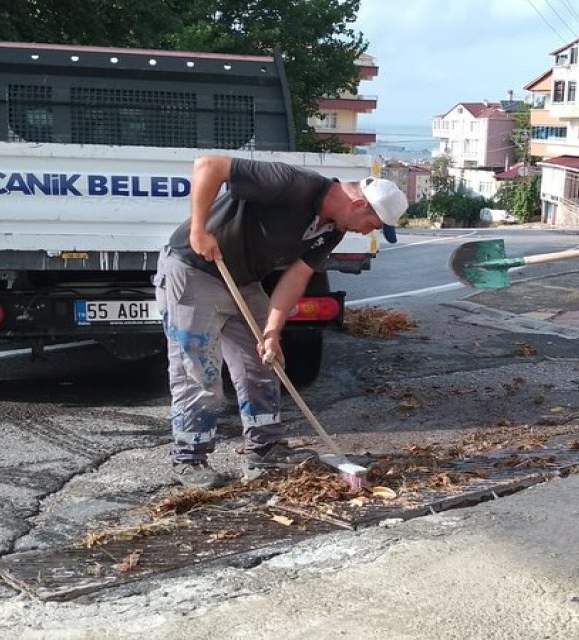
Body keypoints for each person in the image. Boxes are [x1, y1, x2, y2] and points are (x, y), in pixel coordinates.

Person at [155, 156, 409, 488]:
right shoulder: (292, 183)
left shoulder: (333, 228)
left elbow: (296, 277)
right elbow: (208, 166)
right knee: (198, 371)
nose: (367, 232)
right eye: (373, 225)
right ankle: (189, 457)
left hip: (243, 281)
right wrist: (199, 230)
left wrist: (272, 331)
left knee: (267, 361)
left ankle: (265, 450)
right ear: (359, 203)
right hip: (195, 271)